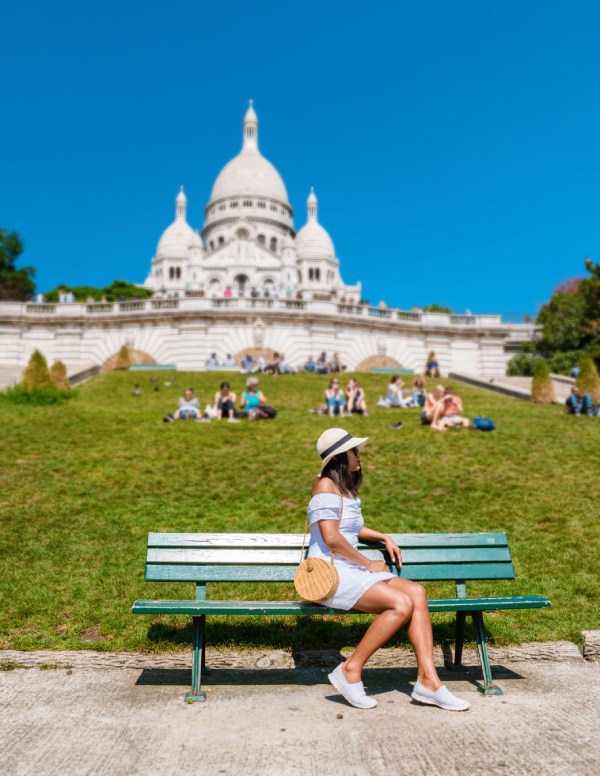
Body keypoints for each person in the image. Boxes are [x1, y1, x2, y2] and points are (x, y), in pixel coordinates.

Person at [308, 428, 470, 711]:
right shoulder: (324, 486)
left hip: (349, 567)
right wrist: (368, 562)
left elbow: (352, 529)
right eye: (353, 451)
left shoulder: (344, 489)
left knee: (417, 592)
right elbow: (331, 538)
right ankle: (350, 669)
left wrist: (382, 536)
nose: (359, 455)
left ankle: (428, 681)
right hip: (330, 572)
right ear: (339, 457)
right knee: (400, 603)